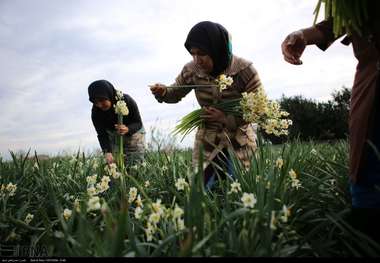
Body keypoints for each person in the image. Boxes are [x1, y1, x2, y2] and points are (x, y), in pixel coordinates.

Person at [281, 2, 380, 243]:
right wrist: (303, 34)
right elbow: (338, 22)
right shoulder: (351, 7)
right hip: (371, 87)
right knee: (366, 163)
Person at [150, 21, 263, 188]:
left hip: (239, 141)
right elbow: (176, 92)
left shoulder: (244, 70)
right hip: (208, 141)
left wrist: (226, 118)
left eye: (202, 53)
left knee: (239, 188)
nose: (197, 60)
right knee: (200, 189)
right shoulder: (191, 70)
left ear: (217, 49)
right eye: (192, 54)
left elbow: (259, 109)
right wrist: (164, 92)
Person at [88, 80, 146, 167]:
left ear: (108, 94)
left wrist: (128, 129)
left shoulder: (126, 100)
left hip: (134, 131)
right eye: (95, 102)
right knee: (116, 163)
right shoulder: (96, 113)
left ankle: (135, 176)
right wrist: (107, 152)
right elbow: (102, 134)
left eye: (102, 100)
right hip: (113, 134)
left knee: (135, 162)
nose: (99, 105)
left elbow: (138, 123)